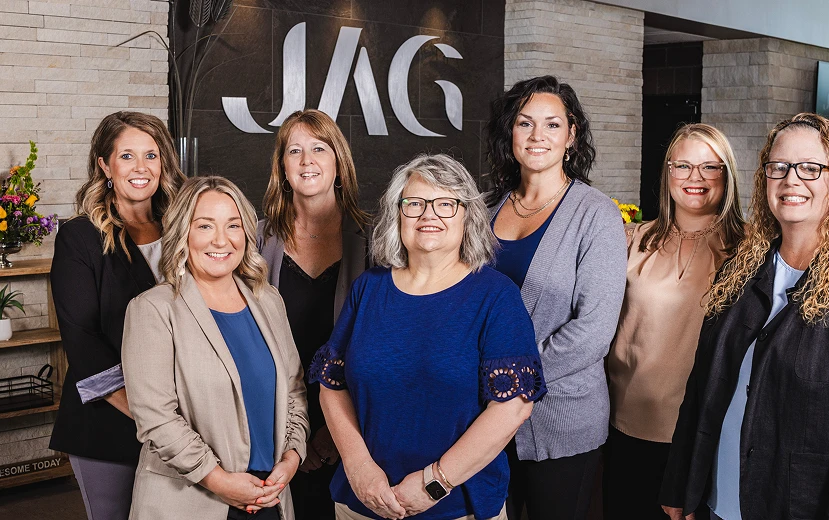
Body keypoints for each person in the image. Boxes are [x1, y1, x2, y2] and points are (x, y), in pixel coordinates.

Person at [659, 113, 829, 520]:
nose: (791, 180)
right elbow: (702, 387)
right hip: (720, 503)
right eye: (779, 167)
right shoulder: (742, 271)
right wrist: (681, 484)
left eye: (811, 168)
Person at [309, 154, 546, 520]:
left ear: (467, 216)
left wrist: (435, 482)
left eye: (446, 204)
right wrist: (357, 467)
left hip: (456, 507)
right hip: (362, 502)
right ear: (397, 215)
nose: (428, 215)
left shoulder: (495, 296)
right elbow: (332, 385)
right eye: (415, 203)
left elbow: (513, 407)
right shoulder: (368, 289)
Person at [121, 176, 309, 520]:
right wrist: (219, 480)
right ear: (183, 233)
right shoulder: (153, 309)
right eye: (205, 225)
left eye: (233, 225)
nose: (221, 240)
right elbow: (156, 418)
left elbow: (294, 390)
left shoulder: (267, 300)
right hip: (190, 501)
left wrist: (292, 457)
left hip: (271, 496)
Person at [485, 75, 626, 520]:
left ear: (572, 135)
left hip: (561, 422)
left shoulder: (595, 214)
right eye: (525, 123)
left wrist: (506, 380)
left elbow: (594, 331)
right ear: (510, 134)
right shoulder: (485, 209)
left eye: (551, 124)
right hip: (482, 423)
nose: (537, 135)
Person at [604, 123, 745, 519]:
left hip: (703, 434)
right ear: (667, 173)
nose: (694, 178)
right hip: (625, 426)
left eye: (709, 167)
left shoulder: (750, 250)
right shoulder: (632, 240)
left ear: (727, 174)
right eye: (682, 166)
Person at [48, 111, 184, 520]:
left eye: (151, 155)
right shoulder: (80, 237)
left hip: (184, 418)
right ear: (104, 165)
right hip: (110, 423)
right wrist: (153, 418)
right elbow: (83, 341)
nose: (141, 168)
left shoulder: (186, 229)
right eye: (127, 156)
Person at [257, 109, 369, 519]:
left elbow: (380, 346)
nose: (307, 161)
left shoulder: (375, 243)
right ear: (282, 168)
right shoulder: (255, 240)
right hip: (274, 421)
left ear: (338, 162)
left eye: (319, 148)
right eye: (295, 151)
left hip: (350, 423)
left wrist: (326, 438)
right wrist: (294, 438)